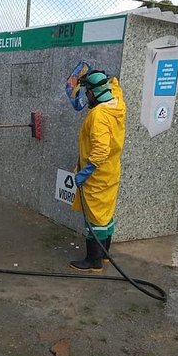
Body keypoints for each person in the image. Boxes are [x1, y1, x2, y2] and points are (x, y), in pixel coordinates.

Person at [69, 70, 126, 272]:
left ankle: (93, 261)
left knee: (95, 218)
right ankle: (104, 256)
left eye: (87, 93)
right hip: (111, 171)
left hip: (97, 176)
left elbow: (101, 149)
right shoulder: (118, 102)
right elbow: (115, 84)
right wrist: (92, 75)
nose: (86, 97)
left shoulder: (99, 115)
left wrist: (85, 172)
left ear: (93, 93)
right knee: (106, 214)